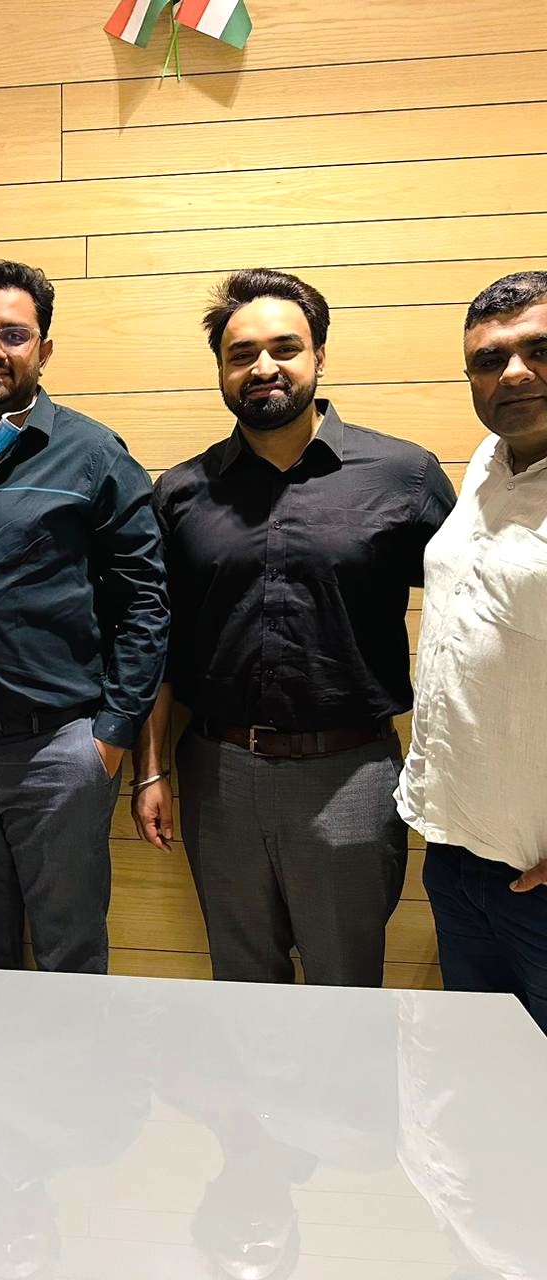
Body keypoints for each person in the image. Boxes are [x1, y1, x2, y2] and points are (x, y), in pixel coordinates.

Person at [132, 268, 455, 986]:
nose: (263, 367)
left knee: (347, 984)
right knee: (243, 983)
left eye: (285, 348)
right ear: (222, 370)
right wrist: (150, 768)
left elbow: (471, 619)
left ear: (319, 356)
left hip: (351, 774)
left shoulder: (403, 475)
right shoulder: (180, 493)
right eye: (241, 354)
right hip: (217, 771)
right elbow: (157, 644)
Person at [0, 259, 168, 974]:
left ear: (43, 349)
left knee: (68, 953)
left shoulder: (93, 453)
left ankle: (75, 1062)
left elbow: (145, 600)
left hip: (60, 750)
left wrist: (110, 736)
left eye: (14, 335)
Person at [396, 270, 547, 1034]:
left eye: (539, 350)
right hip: (458, 851)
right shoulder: (489, 459)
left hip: (539, 872)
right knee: (482, 1071)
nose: (514, 373)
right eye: (490, 360)